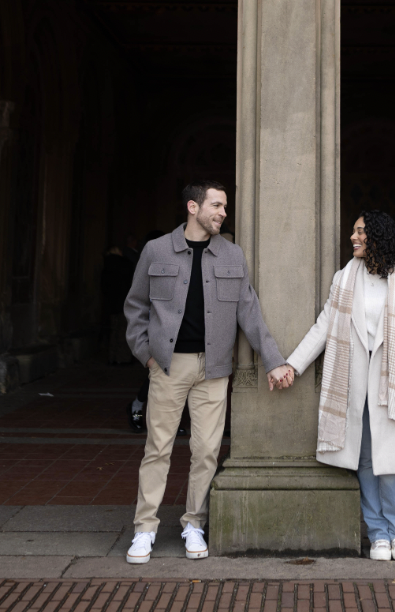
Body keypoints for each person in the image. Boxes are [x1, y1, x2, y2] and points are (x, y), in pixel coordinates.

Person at [123, 181, 292, 563]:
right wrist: (147, 356)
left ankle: (193, 524)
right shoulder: (156, 250)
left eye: (225, 207)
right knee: (158, 449)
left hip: (214, 367)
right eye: (216, 205)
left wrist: (274, 359)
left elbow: (249, 311)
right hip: (167, 366)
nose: (223, 213)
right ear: (193, 207)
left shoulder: (232, 255)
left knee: (206, 451)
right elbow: (135, 307)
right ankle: (144, 529)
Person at [286, 210, 395, 561]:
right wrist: (293, 364)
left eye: (361, 231)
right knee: (365, 461)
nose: (353, 237)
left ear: (378, 236)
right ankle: (378, 533)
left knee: (391, 463)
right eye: (353, 231)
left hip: (391, 384)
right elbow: (324, 326)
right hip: (354, 384)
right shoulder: (343, 279)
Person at [127, 230, 165, 434]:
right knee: (156, 372)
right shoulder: (147, 259)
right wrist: (143, 351)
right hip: (154, 325)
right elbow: (137, 300)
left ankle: (170, 421)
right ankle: (137, 406)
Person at [101, 246, 135, 365]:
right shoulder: (126, 265)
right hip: (124, 302)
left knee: (113, 331)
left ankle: (112, 358)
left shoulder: (107, 267)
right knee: (123, 331)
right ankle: (123, 359)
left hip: (111, 304)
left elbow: (104, 286)